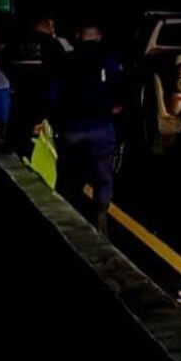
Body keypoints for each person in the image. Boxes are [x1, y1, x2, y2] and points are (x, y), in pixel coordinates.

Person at [51, 23, 124, 234]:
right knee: (102, 172)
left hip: (71, 128)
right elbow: (118, 88)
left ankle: (70, 216)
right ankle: (101, 210)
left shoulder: (66, 60)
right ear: (99, 36)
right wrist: (114, 106)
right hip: (101, 126)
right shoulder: (109, 59)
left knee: (70, 174)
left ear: (77, 37)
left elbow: (54, 93)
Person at [1, 17, 65, 156]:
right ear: (47, 28)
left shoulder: (15, 43)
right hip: (44, 102)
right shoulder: (53, 45)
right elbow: (61, 72)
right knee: (43, 141)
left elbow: (2, 60)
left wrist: (13, 77)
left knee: (19, 137)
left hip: (20, 100)